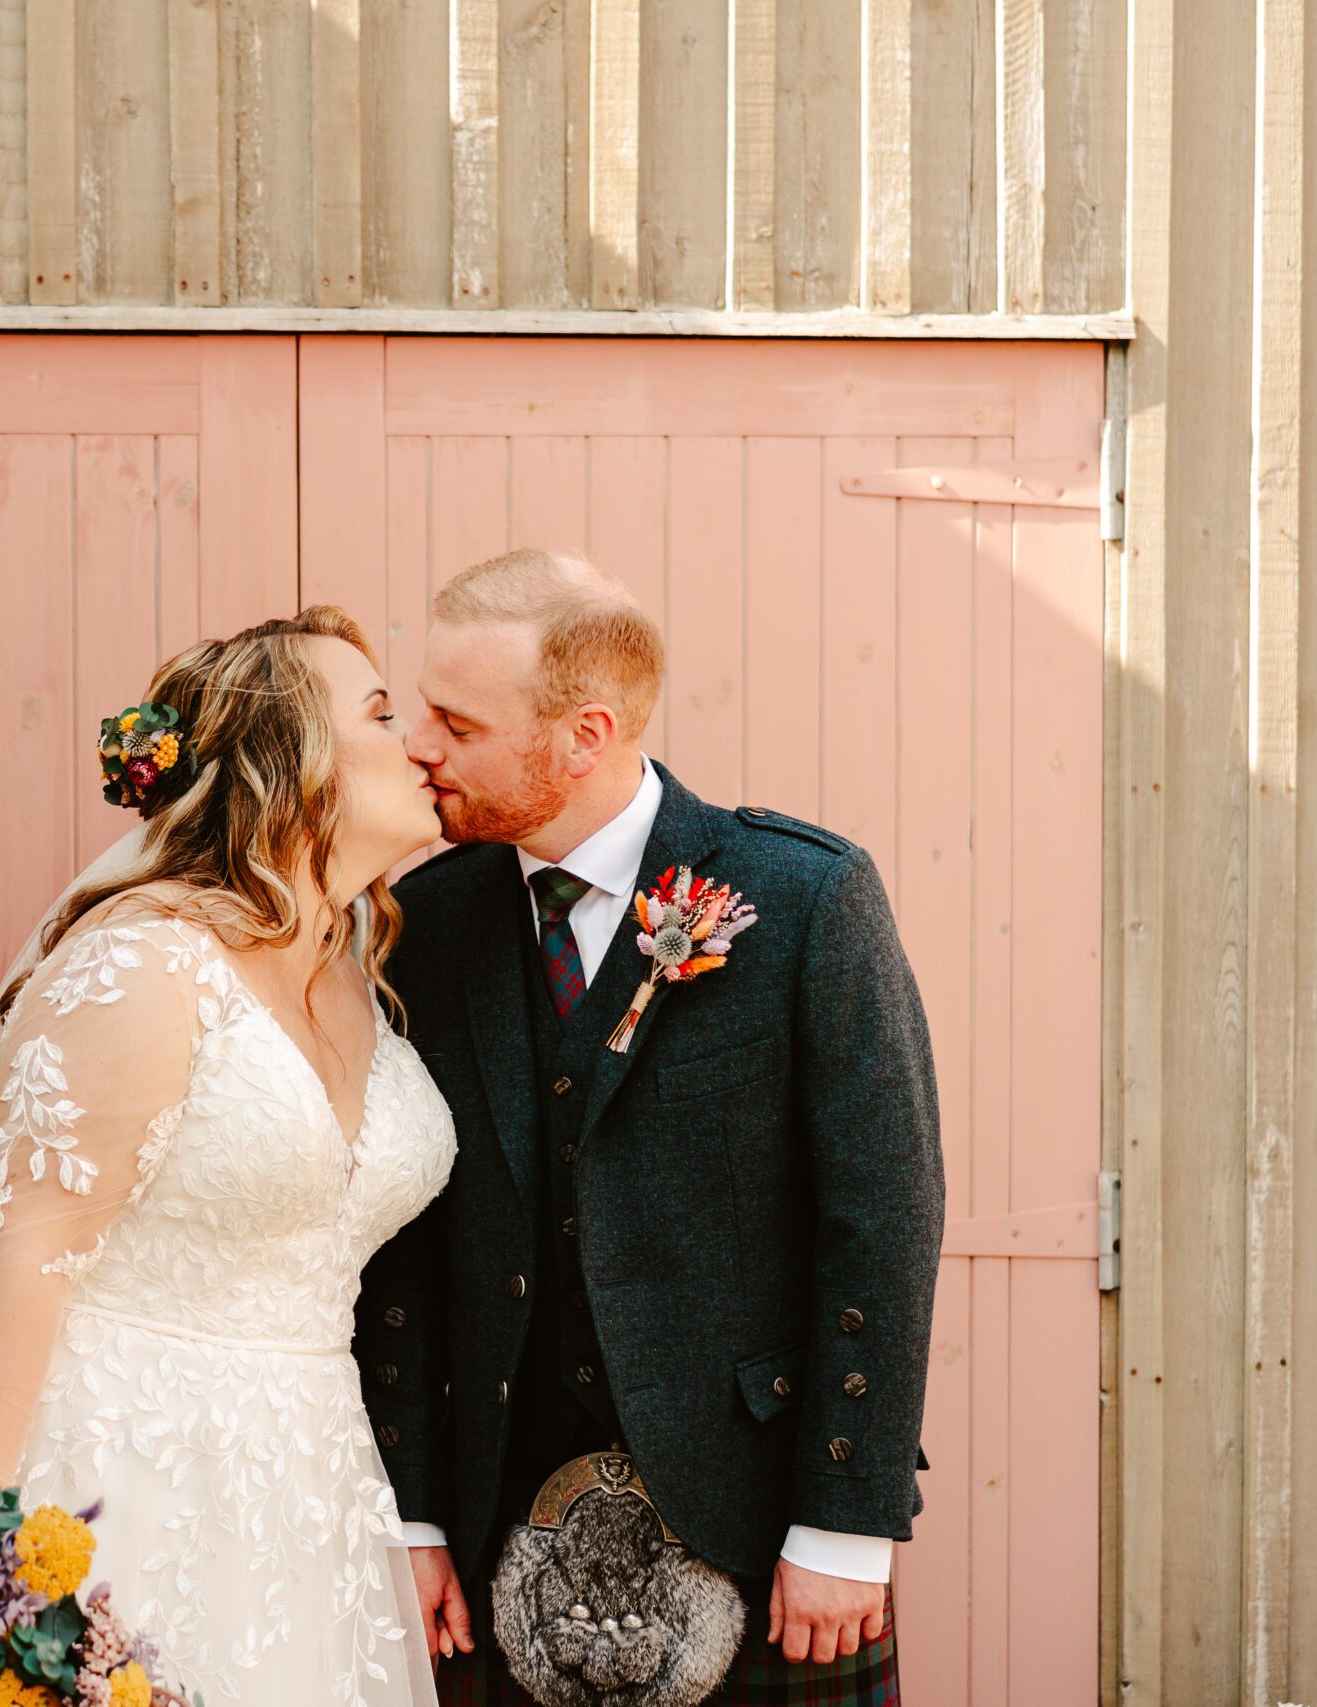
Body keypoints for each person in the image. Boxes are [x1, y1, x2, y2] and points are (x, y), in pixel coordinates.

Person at [359, 549, 945, 1707]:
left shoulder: (803, 898)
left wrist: (844, 1522)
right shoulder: (424, 919)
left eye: (456, 722)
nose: (420, 745)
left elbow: (880, 1216)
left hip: (760, 1518)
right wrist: (410, 1508)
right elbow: (401, 1245)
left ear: (585, 732)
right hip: (488, 1536)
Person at [0, 606, 457, 1707]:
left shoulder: (360, 965)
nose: (419, 740)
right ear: (290, 762)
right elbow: (21, 1257)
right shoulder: (143, 966)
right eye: (379, 714)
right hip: (113, 1470)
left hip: (307, 1483)